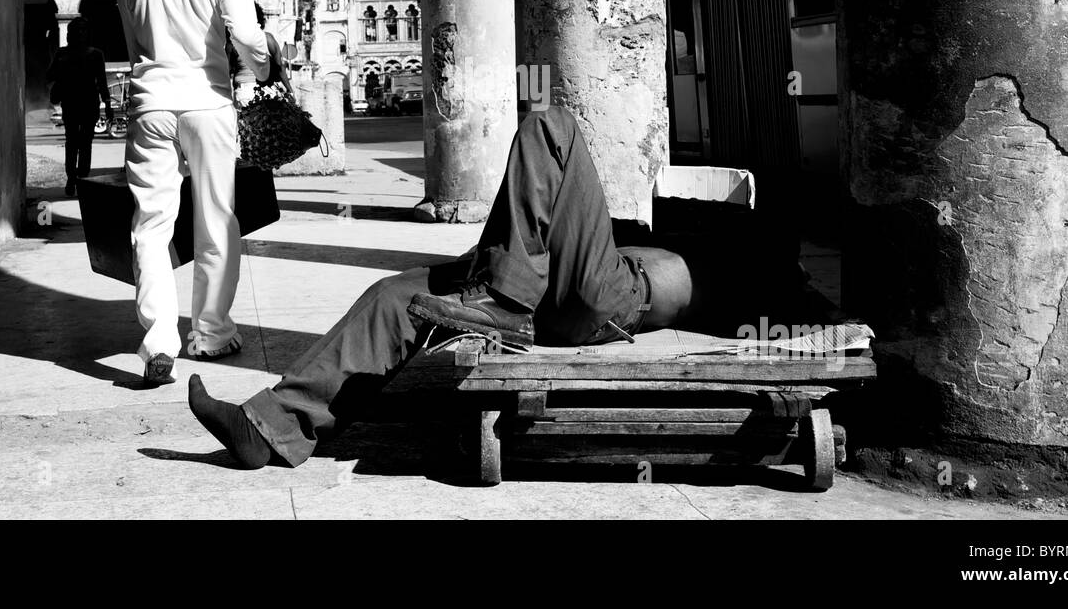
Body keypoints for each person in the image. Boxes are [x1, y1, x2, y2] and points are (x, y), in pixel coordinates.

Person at [189, 105, 806, 469]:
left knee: (552, 124)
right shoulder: (680, 229)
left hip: (608, 297)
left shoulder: (752, 262)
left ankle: (501, 299)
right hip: (554, 290)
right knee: (392, 295)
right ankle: (271, 427)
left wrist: (833, 324)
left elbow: (798, 299)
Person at [117, 0, 272, 387]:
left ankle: (159, 340)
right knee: (216, 217)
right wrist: (264, 67)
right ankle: (211, 333)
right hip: (207, 102)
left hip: (151, 103)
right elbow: (246, 36)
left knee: (151, 224)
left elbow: (135, 45)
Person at [46, 17, 112, 197]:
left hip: (81, 103)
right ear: (71, 34)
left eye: (83, 30)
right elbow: (102, 83)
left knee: (77, 143)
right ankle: (77, 178)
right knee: (79, 143)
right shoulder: (91, 54)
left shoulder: (67, 53)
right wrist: (107, 105)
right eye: (78, 31)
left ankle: (78, 178)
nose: (81, 34)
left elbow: (102, 82)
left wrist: (107, 104)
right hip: (78, 103)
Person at [228, 1, 295, 102]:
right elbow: (280, 67)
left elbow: (227, 70)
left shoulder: (233, 41)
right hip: (266, 91)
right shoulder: (268, 39)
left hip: (243, 92)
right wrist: (290, 91)